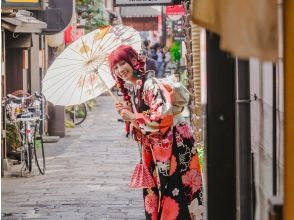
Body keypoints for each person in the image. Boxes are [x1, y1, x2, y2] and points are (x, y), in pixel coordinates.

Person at [108, 45, 204, 220]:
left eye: (122, 63)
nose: (120, 69)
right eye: (115, 67)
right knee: (161, 196)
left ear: (134, 61)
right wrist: (130, 113)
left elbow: (162, 119)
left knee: (176, 196)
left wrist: (132, 116)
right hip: (159, 150)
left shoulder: (149, 84)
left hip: (174, 146)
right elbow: (144, 125)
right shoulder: (136, 88)